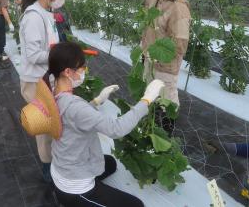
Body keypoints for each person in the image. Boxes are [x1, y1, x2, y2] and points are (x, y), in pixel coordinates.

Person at [48, 42, 165, 207]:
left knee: (109, 163)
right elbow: (117, 129)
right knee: (137, 205)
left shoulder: (53, 89)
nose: (84, 71)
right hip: (74, 188)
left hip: (62, 166)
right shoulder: (74, 106)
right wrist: (146, 100)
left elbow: (72, 116)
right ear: (68, 72)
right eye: (82, 68)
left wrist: (97, 101)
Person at [19, 0, 75, 181]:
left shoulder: (45, 13)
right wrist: (59, 54)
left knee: (52, 122)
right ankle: (47, 168)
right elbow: (34, 55)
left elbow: (47, 46)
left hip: (44, 78)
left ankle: (53, 163)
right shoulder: (34, 16)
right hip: (35, 81)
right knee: (44, 126)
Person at [141, 0, 191, 132]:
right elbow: (147, 18)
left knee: (167, 101)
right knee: (150, 95)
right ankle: (151, 129)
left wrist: (161, 58)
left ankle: (167, 134)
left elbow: (180, 44)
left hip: (165, 64)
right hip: (148, 56)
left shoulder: (179, 8)